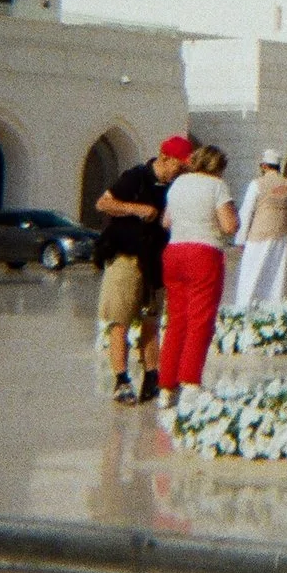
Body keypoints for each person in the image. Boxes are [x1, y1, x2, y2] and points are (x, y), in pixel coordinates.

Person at [93, 134, 189, 404]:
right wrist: (136, 209)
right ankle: (121, 380)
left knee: (152, 321)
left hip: (156, 260)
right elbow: (104, 202)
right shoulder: (135, 177)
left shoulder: (175, 186)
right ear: (165, 157)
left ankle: (151, 377)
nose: (179, 172)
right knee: (120, 320)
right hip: (126, 257)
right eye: (178, 166)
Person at [156, 144, 236, 403]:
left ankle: (166, 386)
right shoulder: (217, 186)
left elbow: (166, 222)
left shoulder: (178, 184)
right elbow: (228, 225)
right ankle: (190, 381)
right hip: (203, 253)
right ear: (218, 166)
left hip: (174, 252)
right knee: (200, 319)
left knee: (176, 320)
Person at [231, 149, 287, 309]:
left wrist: (240, 239)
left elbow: (247, 210)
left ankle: (244, 308)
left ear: (264, 166)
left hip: (259, 234)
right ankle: (273, 308)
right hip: (282, 234)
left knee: (251, 273)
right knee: (276, 274)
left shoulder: (257, 184)